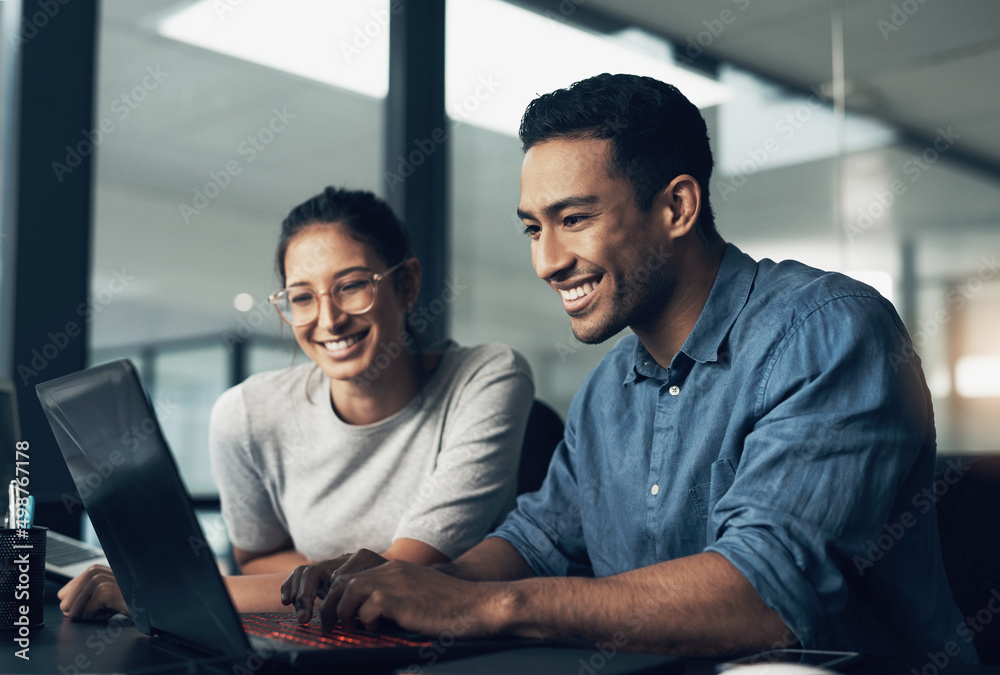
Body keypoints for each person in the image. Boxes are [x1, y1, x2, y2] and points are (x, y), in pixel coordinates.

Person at [282, 75, 978, 662]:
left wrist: (477, 604)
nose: (547, 260)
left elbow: (764, 595)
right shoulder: (609, 387)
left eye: (574, 218)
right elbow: (539, 540)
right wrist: (410, 582)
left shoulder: (829, 330)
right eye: (533, 227)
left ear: (677, 206)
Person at [57, 187, 534, 620]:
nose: (328, 319)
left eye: (351, 286)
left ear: (406, 285)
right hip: (323, 636)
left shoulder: (487, 377)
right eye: (302, 297)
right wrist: (319, 588)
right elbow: (256, 556)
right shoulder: (246, 414)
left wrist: (160, 591)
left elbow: (397, 579)